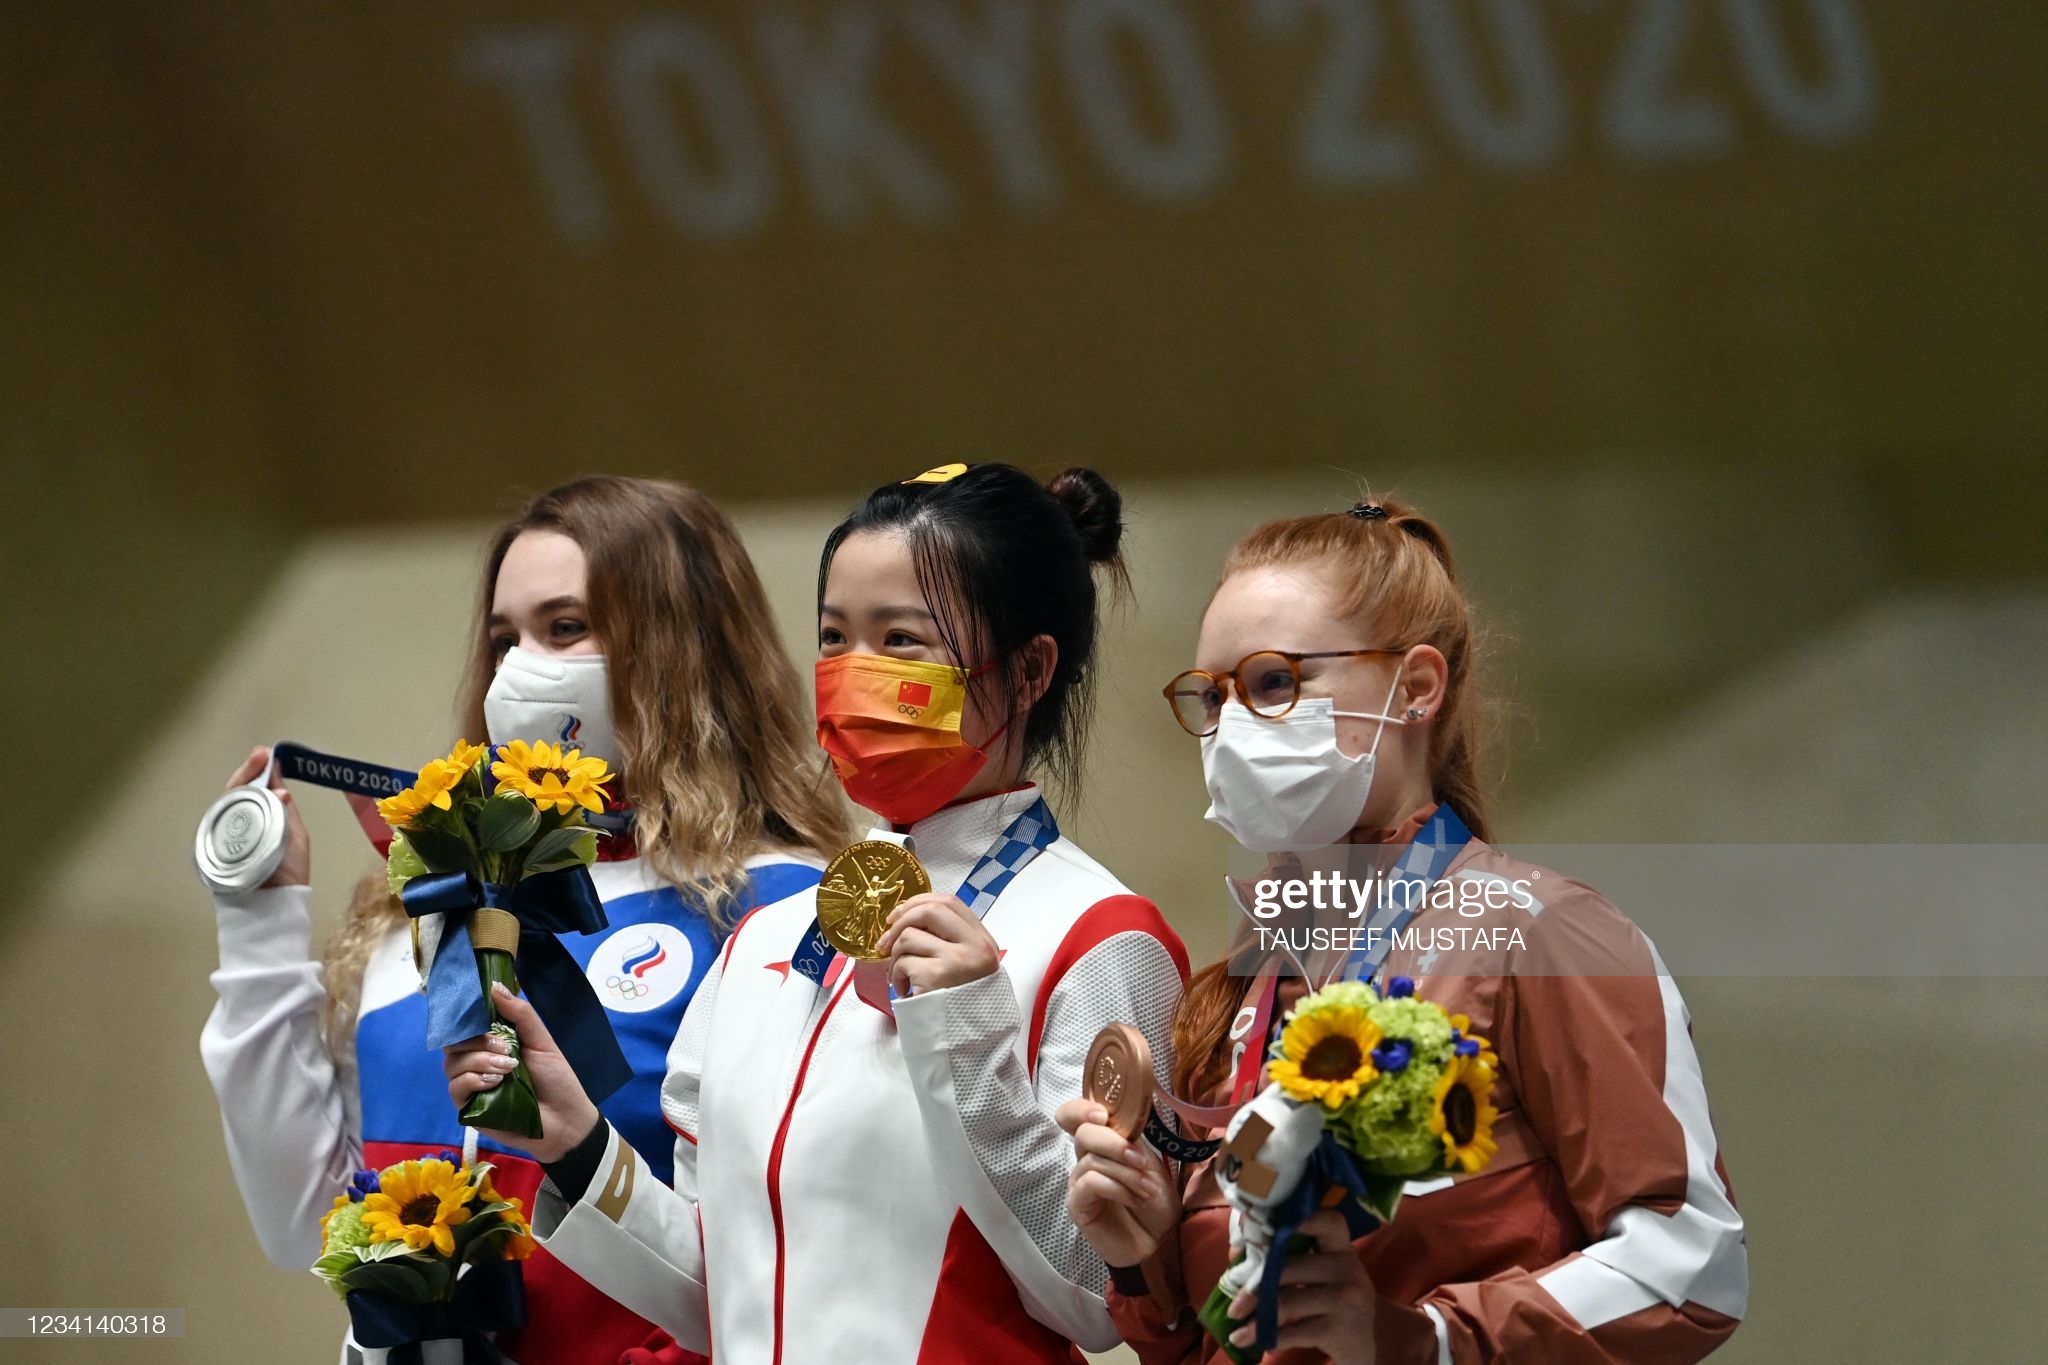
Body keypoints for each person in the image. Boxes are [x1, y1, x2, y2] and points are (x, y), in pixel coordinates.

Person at [445, 462, 1190, 1365]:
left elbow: (1095, 1292)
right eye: (835, 638)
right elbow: (724, 1296)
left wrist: (966, 1038)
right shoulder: (768, 938)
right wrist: (574, 1143)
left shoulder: (1100, 936)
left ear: (1029, 669)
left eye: (901, 640)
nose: (852, 675)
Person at [1058, 497, 1747, 1363]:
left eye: (1273, 683)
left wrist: (1424, 1340)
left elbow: (1694, 1265)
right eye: (1213, 695)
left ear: (1416, 687)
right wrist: (1148, 1260)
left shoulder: (1539, 934)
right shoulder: (1244, 980)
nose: (1231, 727)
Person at [201, 475, 850, 1364]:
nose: (520, 669)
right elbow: (299, 1223)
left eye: (566, 627)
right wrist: (260, 922)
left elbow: (799, 1271)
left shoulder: (785, 911)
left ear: (679, 650)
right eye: (505, 638)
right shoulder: (433, 908)